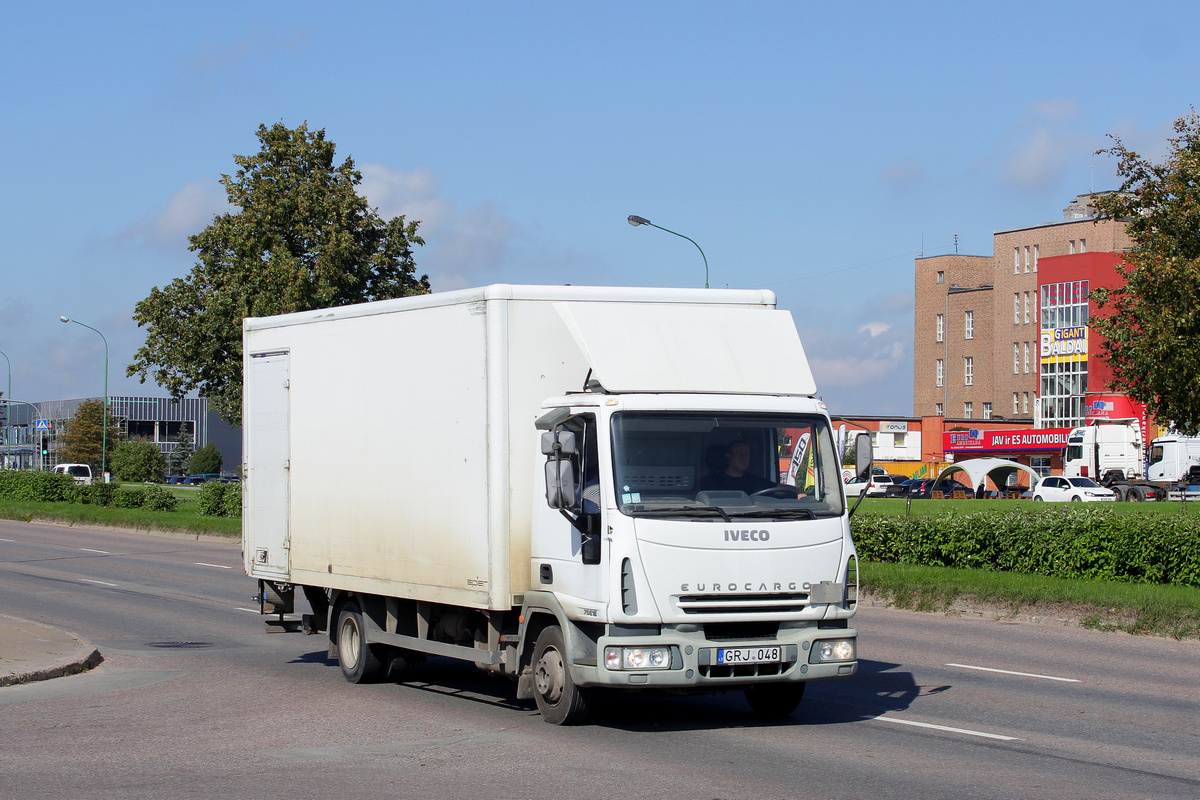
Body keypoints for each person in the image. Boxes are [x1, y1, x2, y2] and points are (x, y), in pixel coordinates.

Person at [697, 440, 778, 494]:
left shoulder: (755, 482)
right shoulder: (709, 482)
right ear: (729, 456)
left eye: (747, 454)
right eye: (739, 453)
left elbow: (782, 490)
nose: (744, 457)